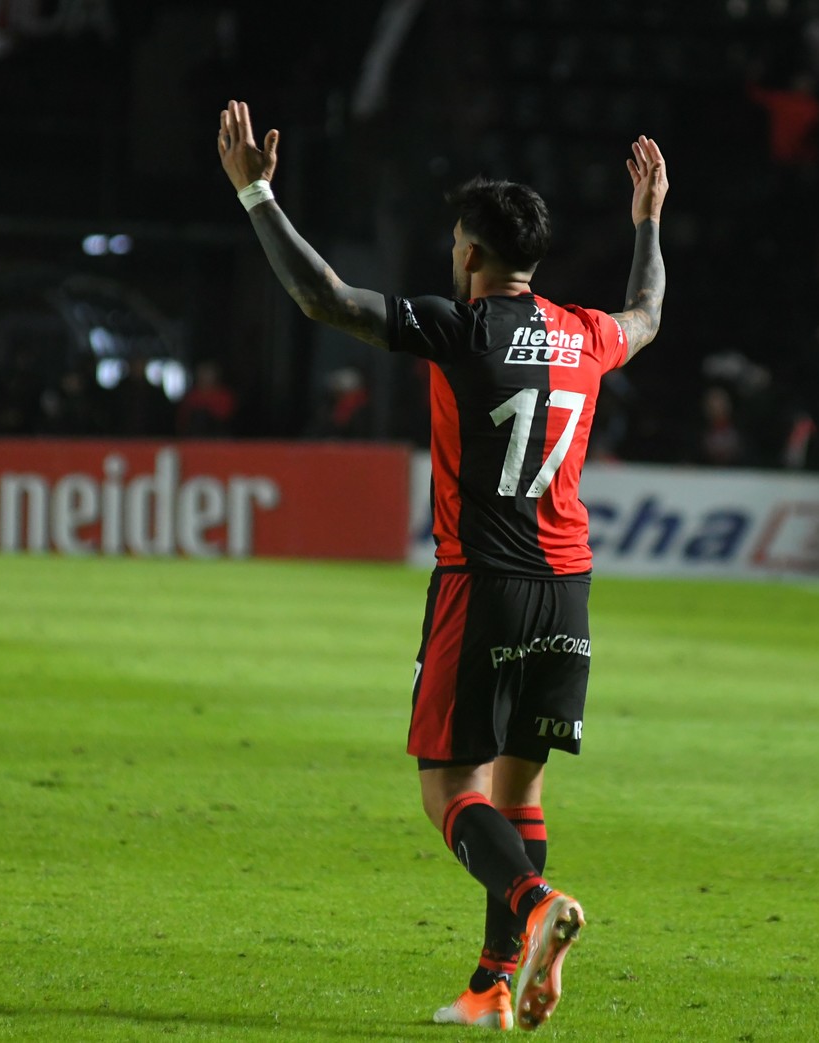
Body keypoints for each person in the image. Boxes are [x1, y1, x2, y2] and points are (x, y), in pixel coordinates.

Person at [217, 100, 668, 1032]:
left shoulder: (459, 327)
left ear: (468, 255)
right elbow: (650, 313)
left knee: (447, 787)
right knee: (522, 785)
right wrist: (647, 223)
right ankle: (493, 983)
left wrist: (256, 193)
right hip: (569, 592)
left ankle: (538, 905)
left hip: (482, 585)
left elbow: (325, 299)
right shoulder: (583, 333)